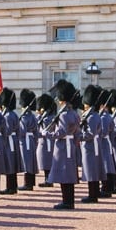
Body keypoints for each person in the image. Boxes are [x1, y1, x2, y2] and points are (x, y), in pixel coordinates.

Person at [42, 79, 80, 209]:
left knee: (65, 175)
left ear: (62, 99)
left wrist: (46, 134)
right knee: (68, 174)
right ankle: (69, 201)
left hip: (63, 147)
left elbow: (61, 133)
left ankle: (67, 202)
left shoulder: (64, 115)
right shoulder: (74, 113)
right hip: (70, 145)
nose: (57, 100)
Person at [78, 84, 105, 204]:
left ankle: (93, 195)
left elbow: (90, 134)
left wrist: (78, 136)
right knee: (91, 170)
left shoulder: (93, 116)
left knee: (92, 170)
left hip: (90, 146)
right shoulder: (91, 115)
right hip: (90, 146)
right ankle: (94, 192)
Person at [0, 88, 22, 195]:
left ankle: (11, 187)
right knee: (12, 164)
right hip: (13, 141)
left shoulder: (7, 116)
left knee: (10, 164)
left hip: (9, 141)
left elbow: (7, 131)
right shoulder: (13, 114)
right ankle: (13, 186)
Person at [18, 89, 40, 191]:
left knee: (27, 162)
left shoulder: (24, 117)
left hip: (25, 141)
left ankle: (27, 184)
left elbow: (21, 131)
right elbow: (36, 131)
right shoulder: (33, 116)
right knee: (31, 161)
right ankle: (31, 182)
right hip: (31, 140)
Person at [35, 93, 56, 186]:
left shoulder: (49, 118)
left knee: (47, 161)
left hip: (47, 142)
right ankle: (47, 179)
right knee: (44, 161)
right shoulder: (44, 117)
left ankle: (49, 180)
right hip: (44, 142)